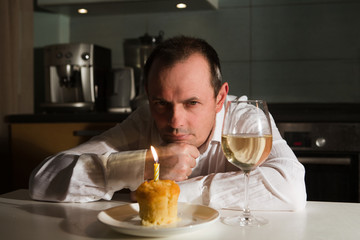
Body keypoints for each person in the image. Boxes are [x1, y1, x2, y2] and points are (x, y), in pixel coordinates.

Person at [29, 36, 306, 211]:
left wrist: (173, 193)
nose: (175, 121)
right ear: (149, 98)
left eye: (192, 103)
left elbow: (291, 188)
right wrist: (142, 165)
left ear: (220, 98)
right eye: (161, 103)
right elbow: (43, 180)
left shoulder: (245, 119)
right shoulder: (143, 120)